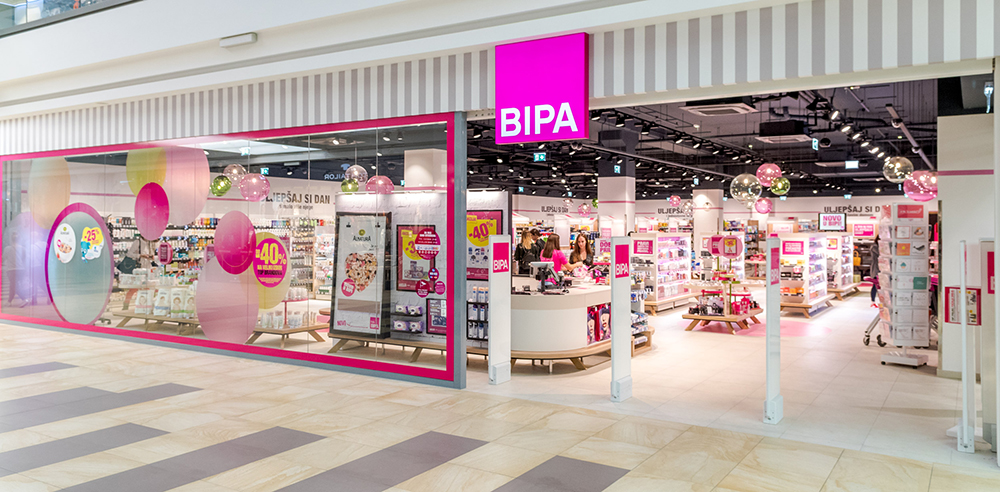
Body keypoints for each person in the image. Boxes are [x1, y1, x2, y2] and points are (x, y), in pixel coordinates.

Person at [869, 235, 880, 307]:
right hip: (876, 269)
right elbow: (879, 254)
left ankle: (874, 301)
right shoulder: (874, 247)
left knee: (877, 285)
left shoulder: (875, 246)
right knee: (875, 284)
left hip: (879, 268)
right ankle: (873, 301)